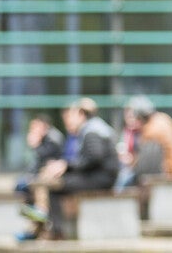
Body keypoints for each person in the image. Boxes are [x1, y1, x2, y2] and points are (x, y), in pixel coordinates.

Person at [25, 98, 120, 240]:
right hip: (99, 176)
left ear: (81, 114)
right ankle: (46, 224)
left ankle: (56, 231)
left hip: (101, 178)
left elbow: (94, 158)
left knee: (54, 187)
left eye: (72, 114)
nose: (69, 119)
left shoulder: (91, 131)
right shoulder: (91, 129)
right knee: (51, 184)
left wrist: (67, 166)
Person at [116, 96, 172, 189]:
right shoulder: (163, 118)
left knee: (123, 181)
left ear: (141, 116)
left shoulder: (151, 131)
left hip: (167, 173)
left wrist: (132, 163)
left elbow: (145, 167)